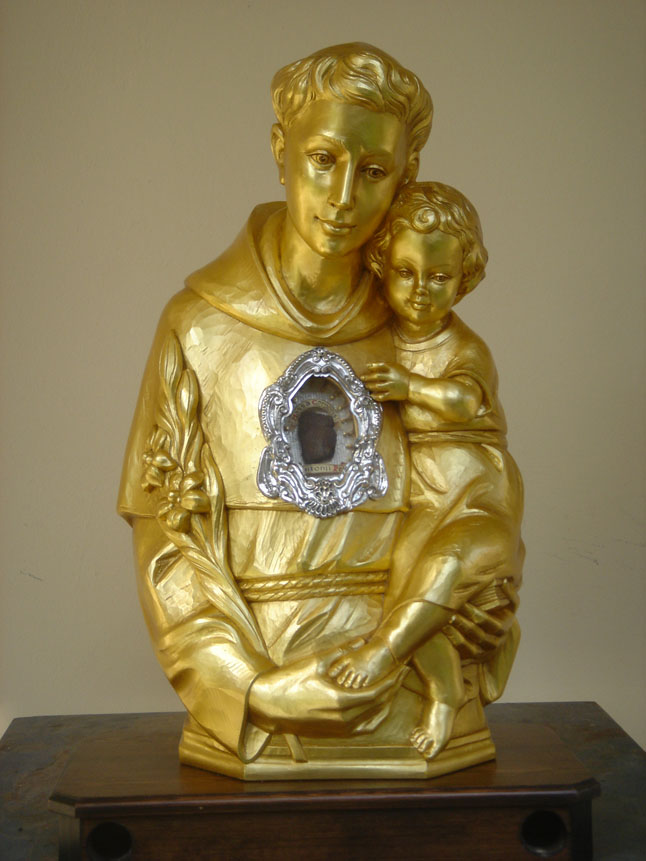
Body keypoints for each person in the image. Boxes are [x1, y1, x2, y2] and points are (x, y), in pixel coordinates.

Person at [118, 43, 436, 774]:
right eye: (324, 159)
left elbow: (472, 491)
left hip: (407, 683)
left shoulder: (423, 334)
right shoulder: (198, 327)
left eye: (375, 171)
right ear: (279, 150)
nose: (344, 195)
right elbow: (166, 536)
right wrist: (252, 690)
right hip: (260, 687)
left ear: (407, 175)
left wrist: (472, 602)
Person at [328, 182, 524, 760]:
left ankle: (381, 655)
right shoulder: (376, 337)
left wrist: (411, 386)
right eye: (405, 273)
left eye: (438, 277)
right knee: (406, 596)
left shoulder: (464, 346)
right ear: (382, 268)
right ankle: (443, 693)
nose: (419, 291)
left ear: (464, 279)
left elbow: (464, 400)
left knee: (445, 568)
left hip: (478, 503)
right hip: (423, 501)